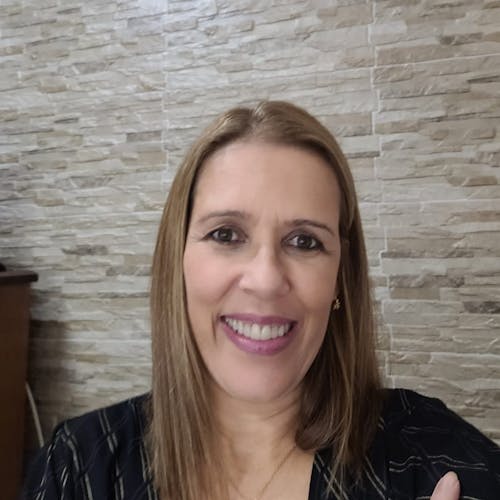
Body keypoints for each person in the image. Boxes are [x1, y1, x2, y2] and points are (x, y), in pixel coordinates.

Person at [23, 101, 499, 499]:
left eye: (305, 241)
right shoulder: (77, 469)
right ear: (178, 262)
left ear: (340, 280)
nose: (266, 279)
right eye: (226, 234)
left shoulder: (432, 460)